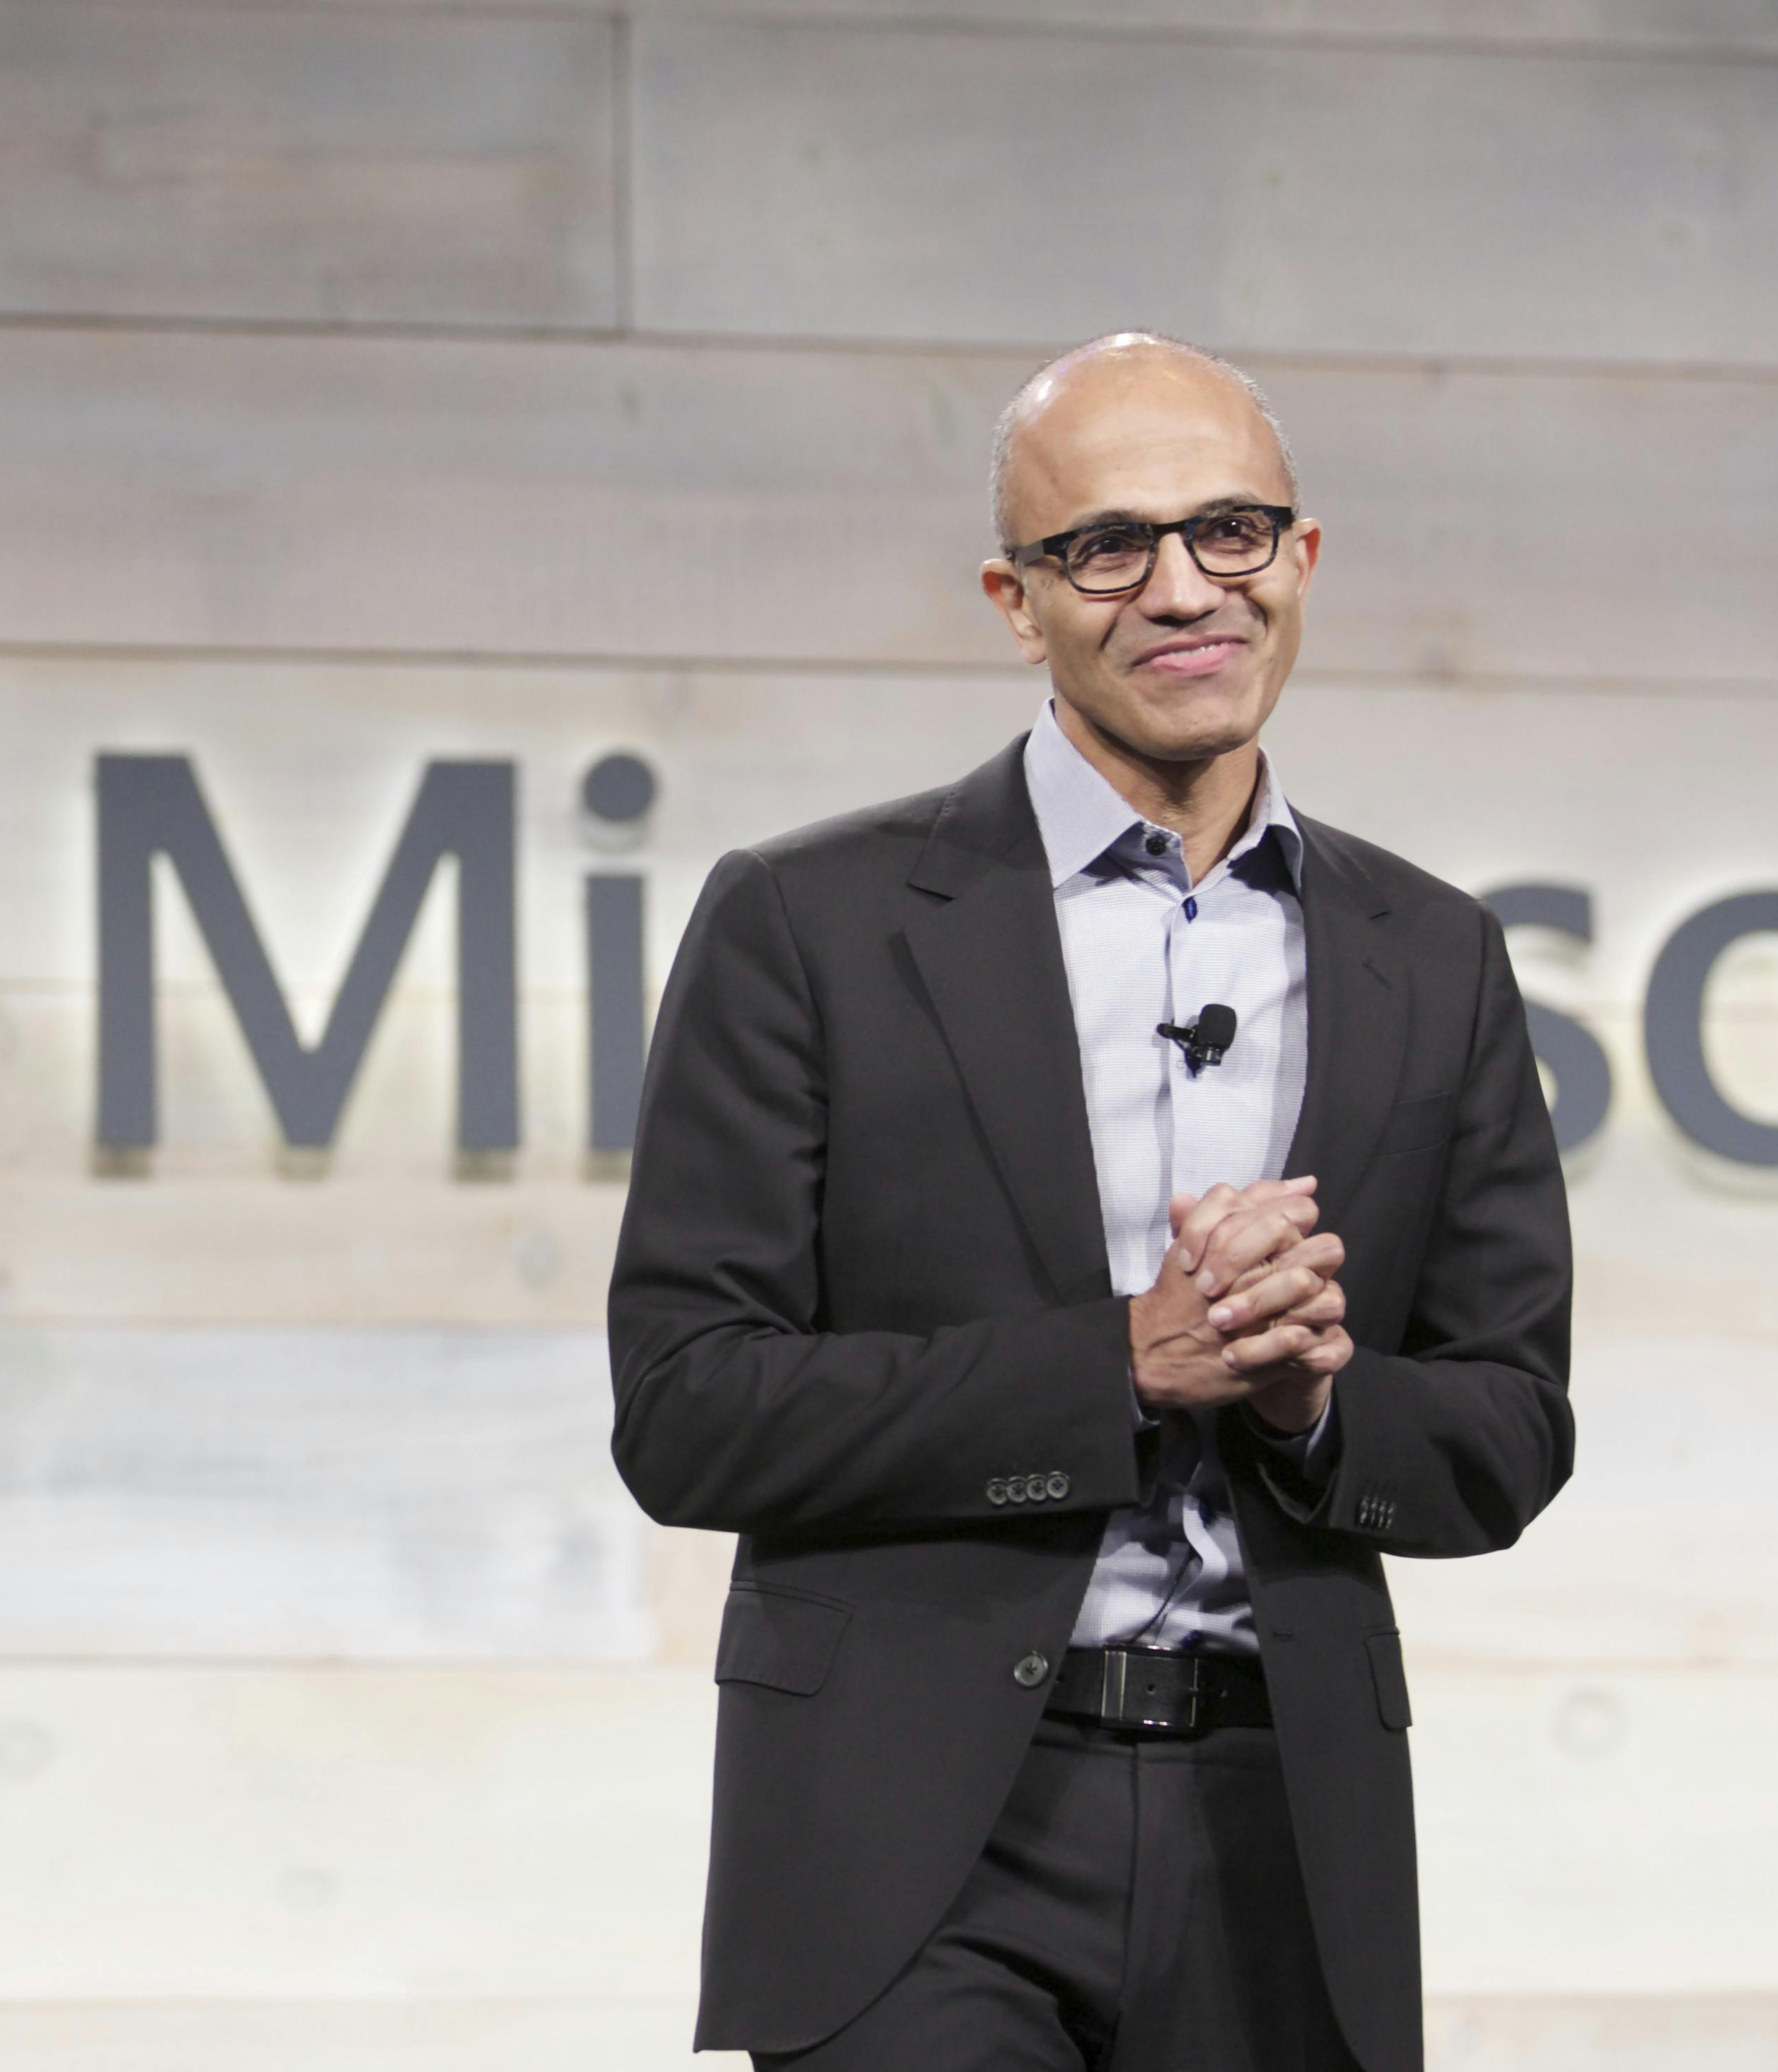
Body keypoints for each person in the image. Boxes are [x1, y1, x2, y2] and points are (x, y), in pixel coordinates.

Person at [607, 331, 1575, 2071]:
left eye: (1230, 532)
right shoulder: (810, 922)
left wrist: (1310, 1401)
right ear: (1015, 597)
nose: (1183, 588)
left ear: (1301, 559)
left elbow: (1509, 1425)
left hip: (1280, 1823)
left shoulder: (1433, 953)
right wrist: (1120, 1365)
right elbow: (687, 1411)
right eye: (1107, 545)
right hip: (916, 1844)